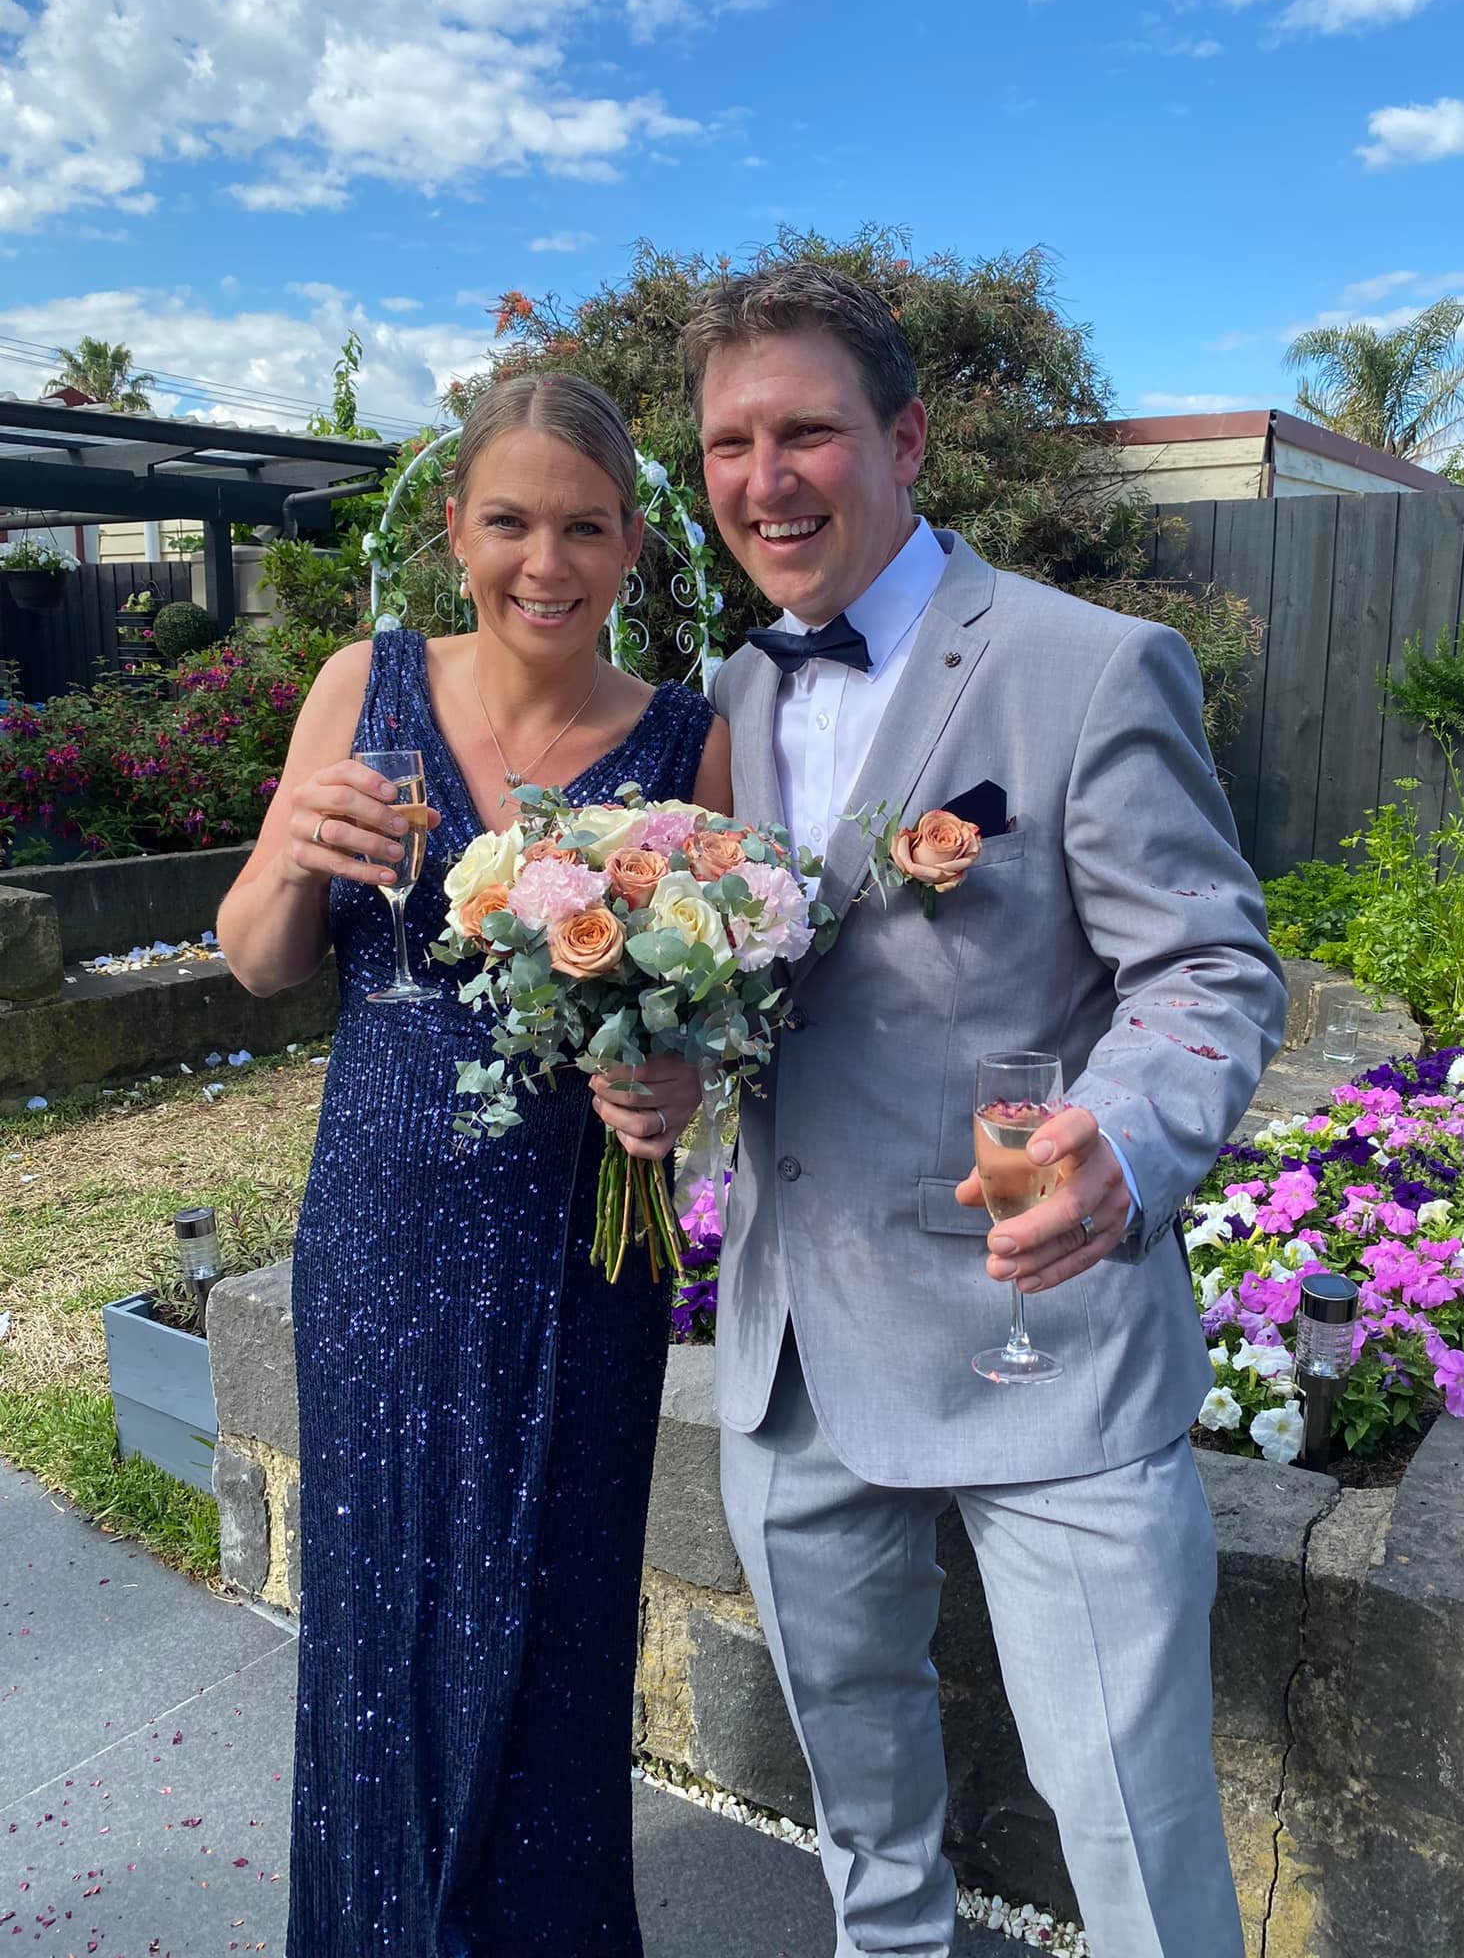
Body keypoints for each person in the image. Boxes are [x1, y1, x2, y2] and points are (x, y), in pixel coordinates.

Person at [688, 263, 1287, 1958]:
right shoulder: (728, 697)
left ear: (906, 440)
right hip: (796, 1360)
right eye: (729, 442)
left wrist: (1130, 1138)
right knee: (866, 1841)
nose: (765, 478)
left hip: (1048, 1352)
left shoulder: (1089, 666)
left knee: (1140, 1857)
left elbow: (1210, 967)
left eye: (808, 431)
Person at [218, 372, 730, 1958]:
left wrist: (679, 1080)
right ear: (454, 532)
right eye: (509, 522)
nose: (545, 564)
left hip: (579, 1250)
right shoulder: (359, 686)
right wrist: (294, 852)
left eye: (584, 527)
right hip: (376, 1235)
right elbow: (257, 961)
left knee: (553, 1627)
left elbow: (715, 1015)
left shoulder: (686, 739)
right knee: (376, 1627)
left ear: (632, 543)